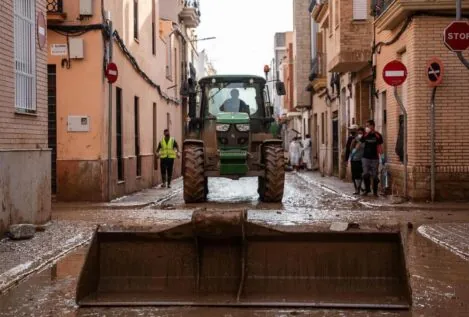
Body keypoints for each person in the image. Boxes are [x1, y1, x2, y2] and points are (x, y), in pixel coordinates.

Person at [361, 120, 384, 196]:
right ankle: (367, 190)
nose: (366, 127)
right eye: (366, 126)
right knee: (365, 174)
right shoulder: (365, 134)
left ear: (372, 126)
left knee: (375, 175)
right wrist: (367, 133)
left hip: (375, 158)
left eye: (368, 125)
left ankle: (375, 192)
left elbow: (380, 145)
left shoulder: (378, 135)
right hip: (365, 157)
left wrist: (382, 156)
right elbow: (362, 141)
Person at [349, 127, 365, 195]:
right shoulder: (354, 140)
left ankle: (360, 188)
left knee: (361, 175)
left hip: (362, 160)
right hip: (354, 160)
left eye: (361, 133)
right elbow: (350, 149)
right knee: (355, 176)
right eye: (359, 133)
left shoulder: (364, 140)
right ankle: (356, 189)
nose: (360, 134)